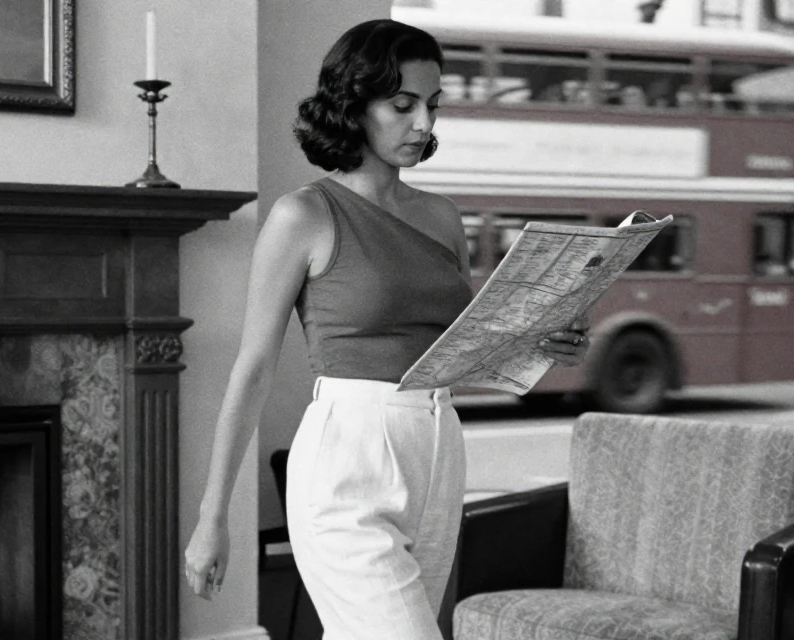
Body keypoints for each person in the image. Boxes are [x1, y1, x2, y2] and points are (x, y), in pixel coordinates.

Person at [183, 19, 590, 639]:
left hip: (438, 448)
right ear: (353, 106)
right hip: (347, 459)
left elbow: (464, 346)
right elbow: (253, 368)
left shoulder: (442, 216)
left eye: (432, 106)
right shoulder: (304, 216)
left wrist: (542, 338)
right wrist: (214, 515)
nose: (423, 124)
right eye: (402, 105)